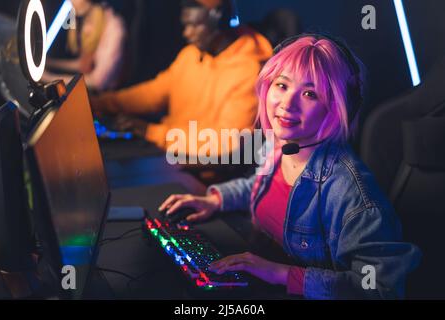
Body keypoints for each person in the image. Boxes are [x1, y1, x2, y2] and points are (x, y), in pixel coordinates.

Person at [159, 34, 421, 299]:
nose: (287, 104)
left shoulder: (350, 192)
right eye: (282, 85)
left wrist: (281, 274)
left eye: (309, 93)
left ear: (338, 106)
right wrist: (214, 200)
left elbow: (381, 289)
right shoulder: (281, 145)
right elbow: (259, 184)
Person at [90, 0, 273, 156]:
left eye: (194, 25)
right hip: (173, 152)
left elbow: (226, 141)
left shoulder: (248, 71)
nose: (187, 33)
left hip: (201, 173)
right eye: (185, 25)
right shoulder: (192, 54)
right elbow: (156, 92)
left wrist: (152, 132)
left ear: (219, 22)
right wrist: (101, 104)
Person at [42, 0, 127, 91]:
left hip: (108, 96)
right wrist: (49, 63)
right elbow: (82, 64)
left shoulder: (115, 30)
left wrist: (48, 78)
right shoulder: (94, 17)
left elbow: (97, 81)